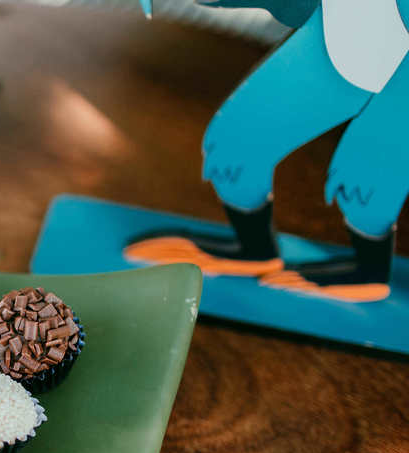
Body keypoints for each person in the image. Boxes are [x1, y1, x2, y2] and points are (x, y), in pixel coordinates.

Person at [126, 0, 408, 302]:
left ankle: (369, 271)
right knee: (236, 141)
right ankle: (253, 248)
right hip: (343, 28)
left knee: (365, 178)